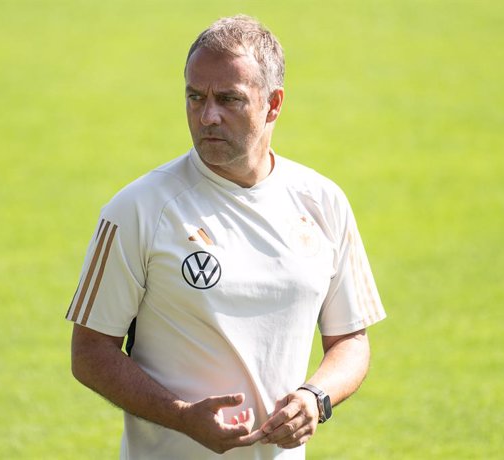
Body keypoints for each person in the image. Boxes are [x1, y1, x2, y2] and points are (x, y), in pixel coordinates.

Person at [66, 15, 386, 459]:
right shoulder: (138, 209)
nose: (207, 115)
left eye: (228, 99)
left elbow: (350, 340)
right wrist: (181, 416)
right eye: (195, 97)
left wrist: (316, 397)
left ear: (273, 104)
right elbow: (89, 352)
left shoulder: (323, 202)